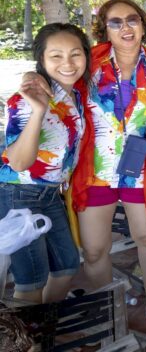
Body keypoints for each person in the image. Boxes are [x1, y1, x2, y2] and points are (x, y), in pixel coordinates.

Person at [66, 0, 146, 332]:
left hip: (141, 170)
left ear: (143, 24)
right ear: (104, 29)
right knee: (96, 250)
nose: (126, 28)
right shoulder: (88, 64)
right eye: (116, 22)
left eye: (132, 20)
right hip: (95, 170)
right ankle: (110, 313)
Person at [0, 23, 90, 303]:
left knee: (66, 266)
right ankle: (28, 343)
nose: (68, 63)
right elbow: (18, 162)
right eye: (56, 56)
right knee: (31, 281)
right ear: (41, 60)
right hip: (19, 195)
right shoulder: (25, 101)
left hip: (50, 194)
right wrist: (39, 111)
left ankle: (44, 330)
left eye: (76, 54)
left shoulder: (74, 94)